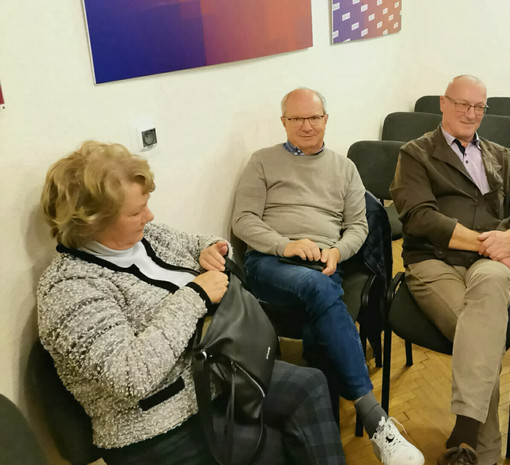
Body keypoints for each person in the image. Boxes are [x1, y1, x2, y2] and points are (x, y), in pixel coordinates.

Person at [36, 141, 347, 465]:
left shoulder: (147, 236)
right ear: (93, 221)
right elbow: (130, 377)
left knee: (310, 384)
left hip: (218, 375)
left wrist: (212, 248)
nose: (149, 216)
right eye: (136, 212)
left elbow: (198, 242)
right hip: (157, 423)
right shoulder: (68, 289)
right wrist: (196, 295)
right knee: (270, 450)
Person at [231, 88, 423, 465]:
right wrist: (285, 245)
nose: (306, 126)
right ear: (283, 122)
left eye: (314, 117)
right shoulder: (262, 161)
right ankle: (375, 420)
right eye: (297, 119)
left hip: (324, 262)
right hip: (271, 263)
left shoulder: (344, 168)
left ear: (326, 119)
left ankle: (319, 432)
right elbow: (243, 220)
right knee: (320, 290)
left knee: (318, 315)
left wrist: (337, 252)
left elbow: (357, 226)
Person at [390, 75, 510, 465]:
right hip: (433, 261)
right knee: (482, 334)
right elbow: (419, 217)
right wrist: (487, 242)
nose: (471, 113)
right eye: (462, 104)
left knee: (482, 321)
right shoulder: (416, 154)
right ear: (443, 103)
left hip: (490, 264)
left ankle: (464, 440)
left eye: (479, 107)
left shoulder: (501, 155)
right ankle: (481, 450)